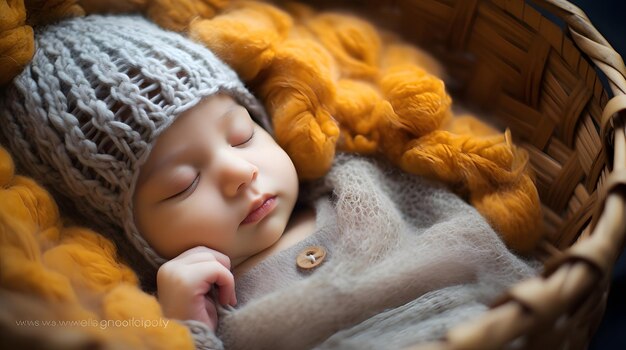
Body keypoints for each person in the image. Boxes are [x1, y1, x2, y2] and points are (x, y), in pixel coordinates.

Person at [0, 15, 538, 349]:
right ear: (129, 233)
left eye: (242, 135)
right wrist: (190, 328)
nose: (240, 172)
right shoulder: (189, 302)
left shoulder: (355, 179)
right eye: (183, 185)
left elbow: (468, 239)